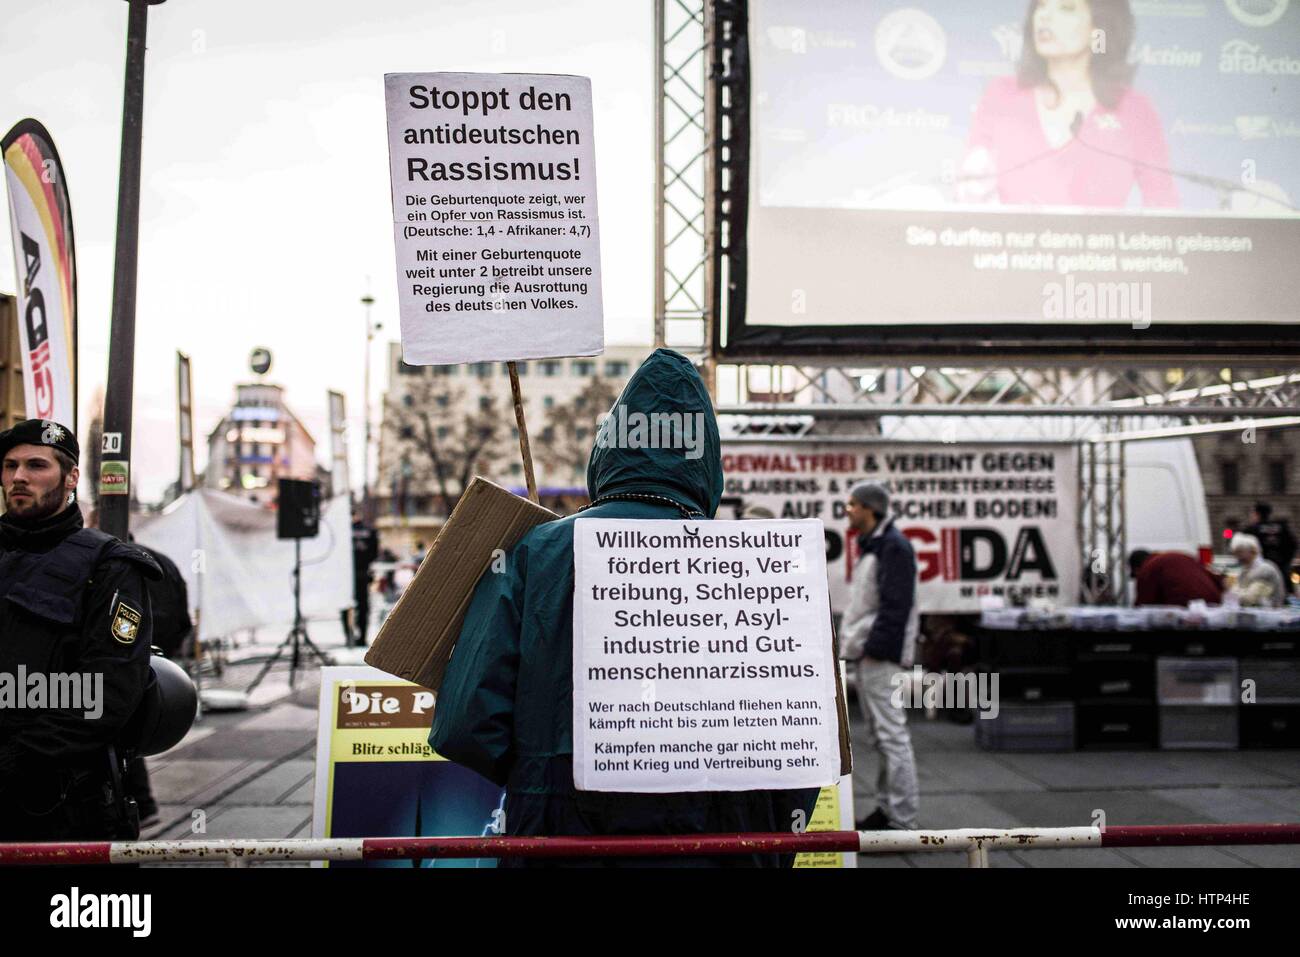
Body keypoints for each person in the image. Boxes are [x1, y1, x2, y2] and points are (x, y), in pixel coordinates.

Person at [430, 349, 820, 866]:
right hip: (720, 844)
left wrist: (541, 777)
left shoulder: (535, 552)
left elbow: (465, 724)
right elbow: (801, 744)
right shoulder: (760, 564)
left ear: (608, 448)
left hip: (562, 842)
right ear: (706, 461)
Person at [0, 418, 160, 841]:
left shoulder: (109, 566)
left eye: (36, 465)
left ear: (71, 477)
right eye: (10, 465)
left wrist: (17, 756)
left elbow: (109, 690)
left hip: (61, 803)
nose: (19, 477)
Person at [960, 0, 1176, 209]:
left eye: (1066, 7)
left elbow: (1163, 203)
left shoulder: (1133, 109)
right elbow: (969, 190)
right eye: (1041, 6)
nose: (1044, 16)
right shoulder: (1002, 95)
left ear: (1098, 30)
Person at [840, 482, 919, 831]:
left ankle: (901, 820)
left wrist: (872, 649)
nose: (849, 509)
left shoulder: (893, 548)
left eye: (853, 504)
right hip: (870, 654)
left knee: (891, 736)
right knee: (883, 737)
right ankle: (888, 811)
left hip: (878, 656)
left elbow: (896, 607)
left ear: (870, 509)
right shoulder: (877, 545)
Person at [1129, 549, 1222, 607]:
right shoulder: (1183, 556)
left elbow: (1143, 604)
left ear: (1137, 569)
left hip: (1185, 607)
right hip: (1214, 604)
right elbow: (1216, 579)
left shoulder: (1148, 568)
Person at [1245, 502, 1297, 595]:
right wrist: (1285, 561)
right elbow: (1293, 544)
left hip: (1261, 574)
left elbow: (1244, 547)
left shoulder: (1252, 529)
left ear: (1257, 514)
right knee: (1286, 597)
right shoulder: (1281, 527)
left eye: (1252, 513)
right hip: (1282, 570)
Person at [1229, 533, 1286, 608]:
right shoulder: (1244, 571)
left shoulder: (1265, 570)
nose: (1237, 557)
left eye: (1240, 552)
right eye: (1235, 553)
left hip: (1270, 615)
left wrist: (1232, 592)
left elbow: (1250, 599)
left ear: (1253, 551)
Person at [349, 508, 379, 646]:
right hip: (363, 573)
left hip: (348, 574)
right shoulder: (370, 531)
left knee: (347, 606)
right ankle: (362, 637)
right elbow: (374, 553)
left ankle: (349, 636)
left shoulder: (345, 531)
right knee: (363, 607)